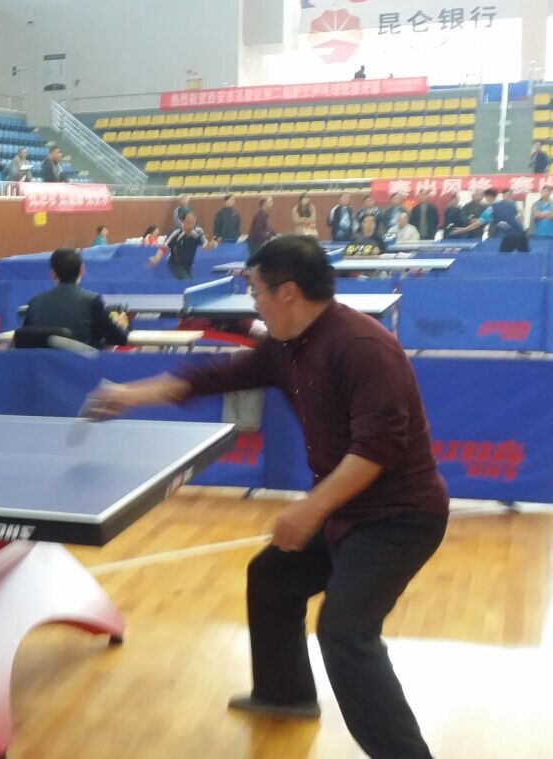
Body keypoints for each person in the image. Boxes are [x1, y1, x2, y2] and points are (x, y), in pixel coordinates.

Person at [82, 235, 447, 759]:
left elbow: (377, 450)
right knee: (273, 577)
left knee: (345, 633)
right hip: (345, 511)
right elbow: (218, 376)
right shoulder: (286, 346)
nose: (253, 302)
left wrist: (311, 508)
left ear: (287, 292)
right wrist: (131, 394)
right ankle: (285, 694)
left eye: (256, 291)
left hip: (399, 520)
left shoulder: (363, 347)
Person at [23, 247, 130, 349]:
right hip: (82, 362)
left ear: (52, 273)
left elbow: (24, 342)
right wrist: (123, 327)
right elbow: (119, 338)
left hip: (43, 362)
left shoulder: (34, 303)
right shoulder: (92, 302)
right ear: (82, 270)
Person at [152, 211, 216, 279]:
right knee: (186, 281)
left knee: (191, 284)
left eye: (193, 223)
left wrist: (210, 245)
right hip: (175, 264)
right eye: (188, 222)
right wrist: (157, 257)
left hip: (188, 265)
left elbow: (205, 247)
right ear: (183, 222)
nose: (191, 225)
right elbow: (164, 247)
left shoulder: (198, 232)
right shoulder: (177, 233)